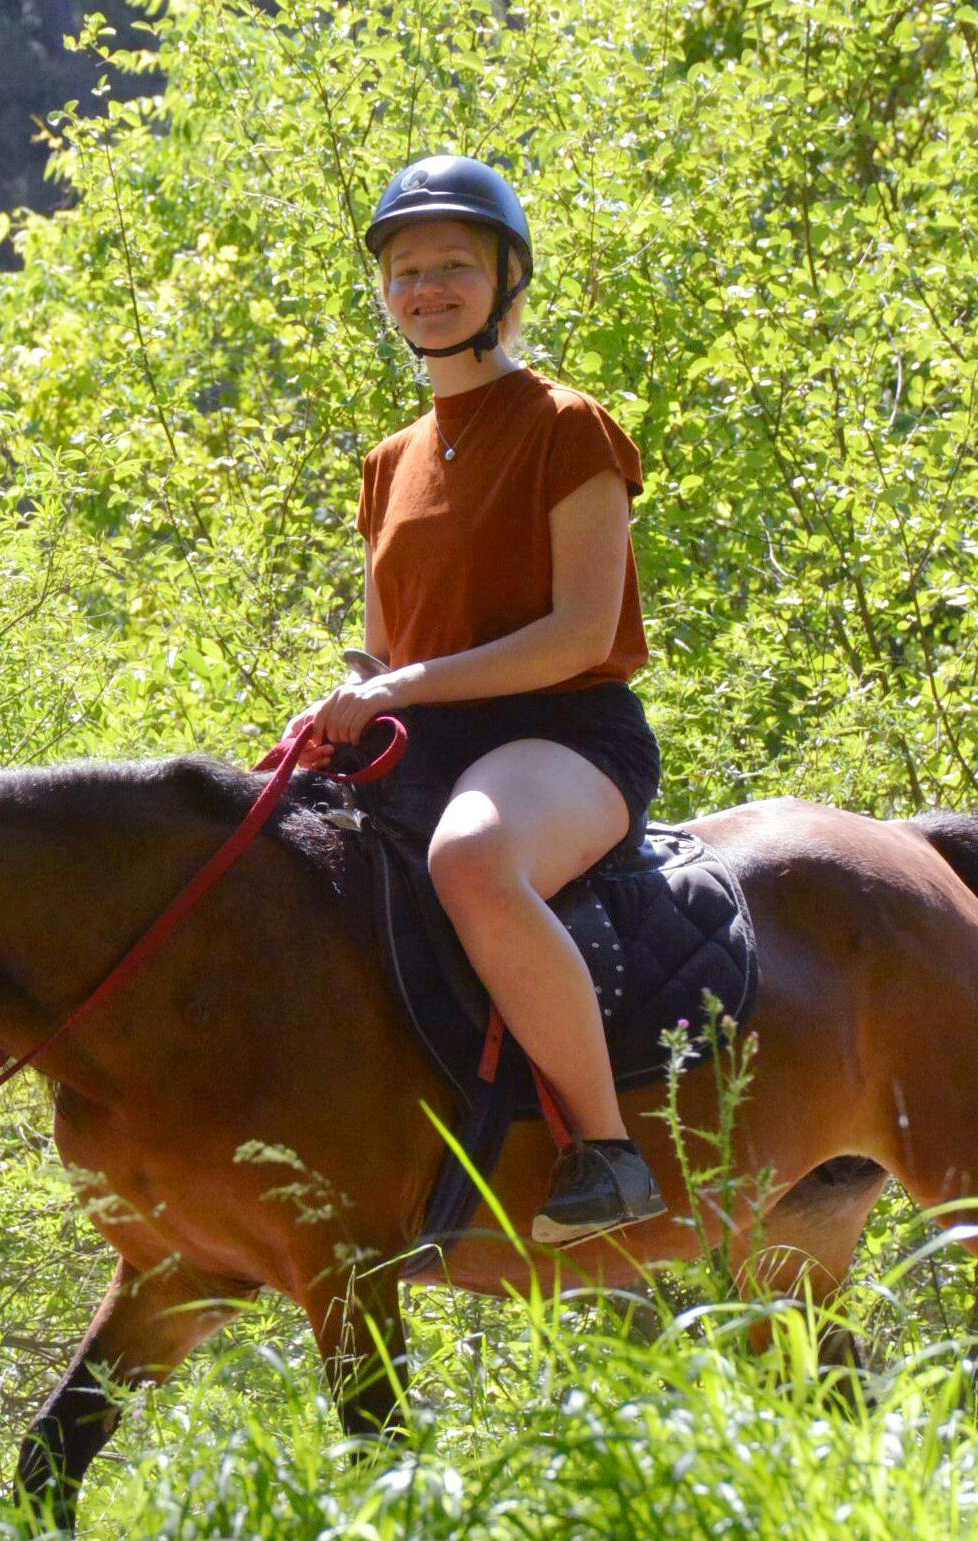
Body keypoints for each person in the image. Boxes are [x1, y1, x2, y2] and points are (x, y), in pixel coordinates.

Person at [297, 153, 668, 1246]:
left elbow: (579, 635)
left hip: (565, 735)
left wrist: (403, 685)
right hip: (425, 743)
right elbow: (381, 651)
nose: (427, 287)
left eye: (455, 263)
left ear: (509, 281)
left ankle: (607, 1152)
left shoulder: (569, 426)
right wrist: (343, 700)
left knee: (473, 860)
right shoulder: (388, 463)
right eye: (406, 270)